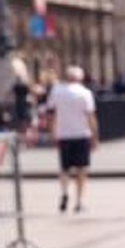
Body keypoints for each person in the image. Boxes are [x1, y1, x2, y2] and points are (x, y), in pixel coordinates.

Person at [46, 65, 98, 213]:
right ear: (80, 78)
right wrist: (95, 136)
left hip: (64, 134)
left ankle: (64, 192)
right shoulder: (85, 93)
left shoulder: (57, 91)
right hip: (82, 134)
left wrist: (52, 132)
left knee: (64, 168)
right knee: (81, 169)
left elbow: (50, 113)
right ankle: (79, 202)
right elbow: (91, 116)